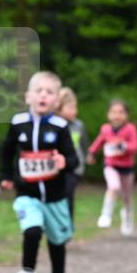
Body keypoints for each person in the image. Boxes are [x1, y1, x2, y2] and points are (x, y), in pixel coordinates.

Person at [0, 71, 78, 273]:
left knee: (56, 242)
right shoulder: (18, 123)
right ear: (28, 96)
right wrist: (5, 175)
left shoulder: (60, 126)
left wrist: (64, 162)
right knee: (32, 231)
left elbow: (73, 160)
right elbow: (7, 151)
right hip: (27, 194)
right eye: (39, 91)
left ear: (56, 100)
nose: (43, 96)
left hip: (55, 197)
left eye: (50, 92)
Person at [87, 98, 137, 234]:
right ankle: (106, 215)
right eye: (113, 112)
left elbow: (135, 146)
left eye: (121, 112)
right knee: (113, 186)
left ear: (127, 115)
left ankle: (127, 217)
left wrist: (124, 146)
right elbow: (99, 142)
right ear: (108, 114)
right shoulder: (105, 129)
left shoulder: (130, 129)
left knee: (127, 196)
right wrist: (91, 153)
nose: (117, 116)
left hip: (127, 167)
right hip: (110, 165)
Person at [56, 87, 90, 227]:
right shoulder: (54, 125)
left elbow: (84, 144)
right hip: (57, 168)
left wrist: (88, 155)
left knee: (68, 195)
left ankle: (67, 225)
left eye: (75, 108)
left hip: (75, 168)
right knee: (58, 197)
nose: (74, 111)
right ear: (59, 108)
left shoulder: (78, 125)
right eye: (69, 108)